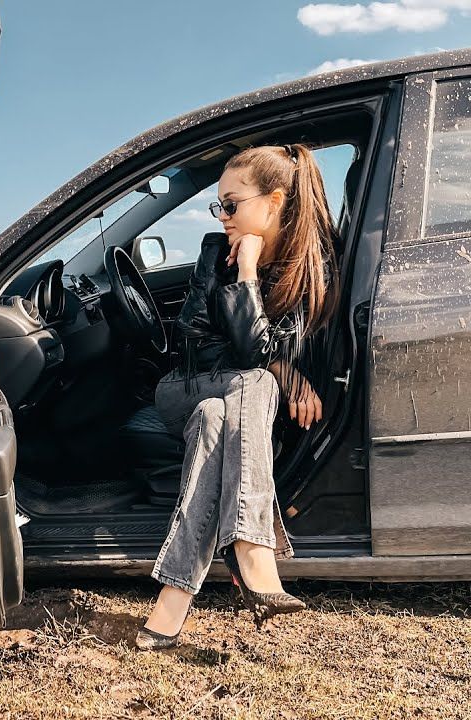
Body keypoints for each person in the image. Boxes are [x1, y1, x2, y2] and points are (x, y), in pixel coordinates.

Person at [135, 143, 341, 650]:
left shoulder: (308, 270)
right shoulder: (214, 253)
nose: (222, 216)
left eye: (231, 204)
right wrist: (279, 369)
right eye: (218, 206)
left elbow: (261, 348)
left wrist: (250, 276)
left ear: (273, 203)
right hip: (181, 387)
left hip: (228, 407)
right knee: (256, 382)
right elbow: (196, 341)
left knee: (214, 418)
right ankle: (252, 547)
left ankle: (172, 600)